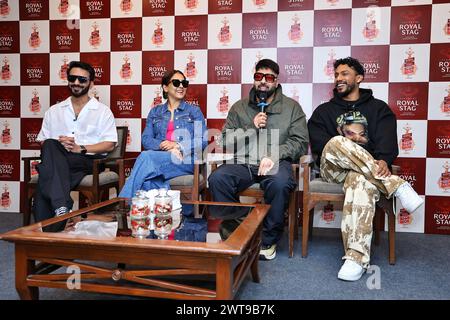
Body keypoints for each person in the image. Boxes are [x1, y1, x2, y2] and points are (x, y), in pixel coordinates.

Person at [308, 57, 424, 281]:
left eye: (344, 74)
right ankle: (396, 186)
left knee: (360, 181)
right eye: (336, 75)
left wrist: (382, 160)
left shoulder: (379, 109)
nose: (339, 79)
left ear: (359, 78)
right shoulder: (323, 111)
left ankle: (356, 258)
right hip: (333, 170)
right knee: (336, 142)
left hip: (366, 173)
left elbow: (388, 144)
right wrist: (364, 158)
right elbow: (321, 146)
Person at [208, 59, 309, 260]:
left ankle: (268, 240)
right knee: (218, 178)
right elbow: (226, 139)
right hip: (244, 162)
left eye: (269, 77)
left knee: (279, 183)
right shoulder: (239, 107)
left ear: (276, 81)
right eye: (258, 76)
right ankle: (240, 230)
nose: (263, 81)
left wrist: (273, 155)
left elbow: (300, 142)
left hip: (276, 163)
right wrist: (250, 127)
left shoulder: (292, 108)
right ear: (254, 78)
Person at [35, 61, 117, 226]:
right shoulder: (54, 111)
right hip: (61, 159)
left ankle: (52, 222)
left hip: (87, 161)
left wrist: (81, 148)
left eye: (82, 79)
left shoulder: (102, 111)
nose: (76, 83)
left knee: (47, 172)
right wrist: (60, 144)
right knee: (51, 146)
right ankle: (62, 210)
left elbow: (110, 144)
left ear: (91, 83)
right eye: (73, 78)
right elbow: (44, 141)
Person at [118, 70, 207, 198]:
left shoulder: (194, 111)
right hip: (161, 159)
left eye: (184, 83)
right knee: (149, 179)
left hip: (185, 160)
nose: (181, 86)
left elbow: (202, 140)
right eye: (176, 83)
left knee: (146, 157)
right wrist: (164, 146)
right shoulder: (155, 112)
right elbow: (146, 139)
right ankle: (168, 213)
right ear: (165, 87)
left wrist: (177, 146)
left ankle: (123, 204)